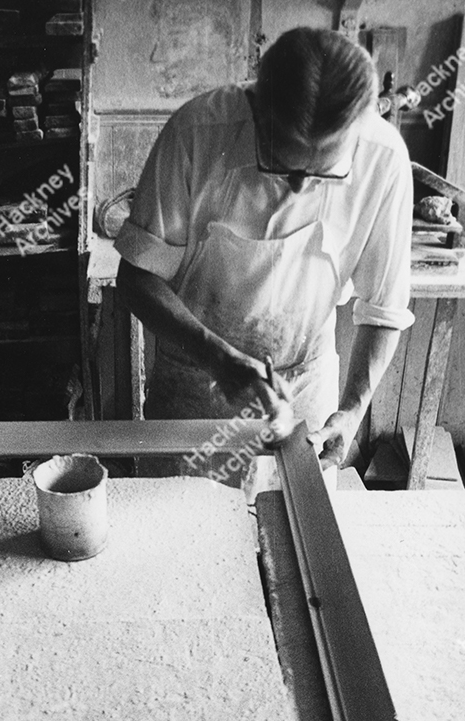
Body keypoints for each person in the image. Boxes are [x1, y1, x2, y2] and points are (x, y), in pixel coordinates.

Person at [115, 25, 415, 479]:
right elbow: (136, 278)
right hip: (195, 385)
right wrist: (217, 357)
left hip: (305, 389)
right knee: (182, 531)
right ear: (257, 107)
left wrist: (353, 411)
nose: (298, 188)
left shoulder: (384, 158)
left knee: (291, 537)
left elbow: (385, 310)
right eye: (282, 164)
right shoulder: (197, 131)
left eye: (322, 175)